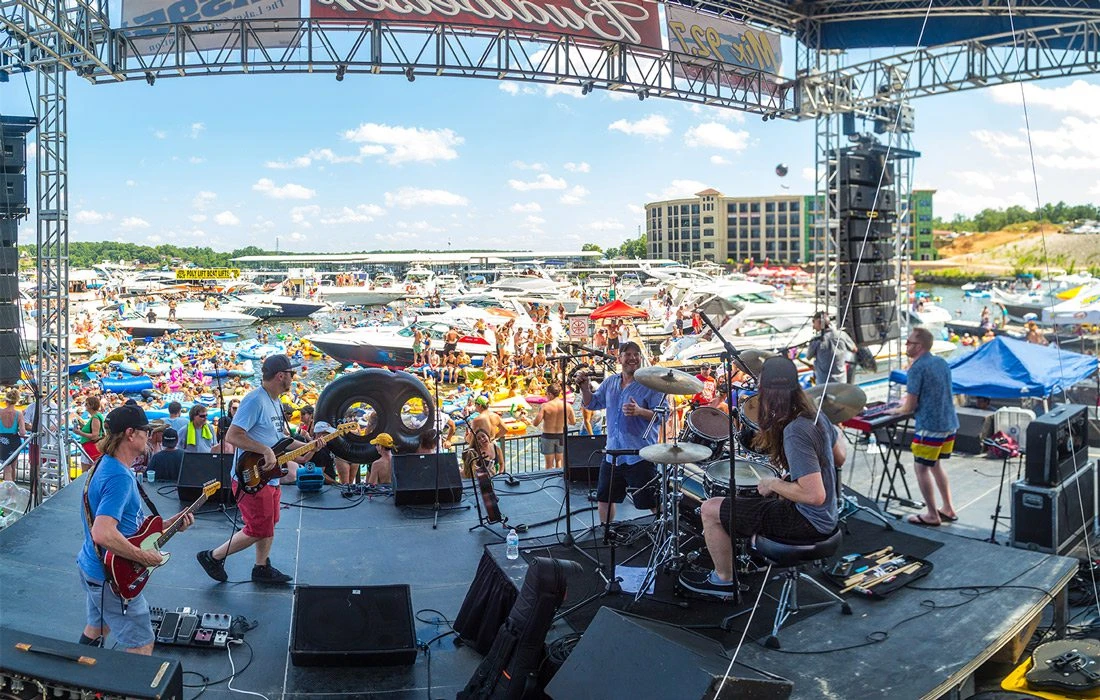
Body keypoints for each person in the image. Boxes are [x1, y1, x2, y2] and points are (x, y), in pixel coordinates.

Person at [678, 356, 844, 599]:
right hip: (828, 517)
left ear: (767, 392)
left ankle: (723, 581)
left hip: (806, 522)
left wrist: (773, 483)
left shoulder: (795, 431)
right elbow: (840, 458)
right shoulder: (816, 415)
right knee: (751, 503)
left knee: (710, 509)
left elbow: (814, 495)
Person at [77, 404, 195, 653]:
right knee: (142, 642)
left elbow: (131, 526)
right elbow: (103, 532)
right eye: (146, 431)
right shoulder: (119, 477)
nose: (151, 437)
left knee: (98, 627)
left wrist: (170, 525)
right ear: (130, 434)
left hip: (93, 567)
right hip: (111, 577)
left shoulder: (106, 464)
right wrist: (144, 557)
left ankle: (78, 674)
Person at [196, 355, 320, 585]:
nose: (293, 378)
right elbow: (233, 435)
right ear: (280, 376)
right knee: (257, 528)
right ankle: (213, 557)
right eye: (291, 374)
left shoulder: (275, 401)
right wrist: (265, 450)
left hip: (269, 476)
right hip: (251, 476)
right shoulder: (254, 401)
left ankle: (261, 567)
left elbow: (280, 440)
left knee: (268, 523)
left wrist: (309, 446)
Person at [577, 341, 665, 526]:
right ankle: (606, 531)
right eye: (628, 354)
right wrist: (585, 389)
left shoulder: (650, 385)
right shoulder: (610, 382)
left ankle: (664, 531)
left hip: (639, 455)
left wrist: (640, 411)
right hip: (612, 454)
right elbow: (592, 403)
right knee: (605, 498)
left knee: (652, 501)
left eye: (636, 354)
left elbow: (663, 416)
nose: (633, 358)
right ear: (619, 358)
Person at [895, 327, 959, 527]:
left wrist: (893, 411)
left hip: (930, 426)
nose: (906, 345)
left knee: (921, 468)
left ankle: (932, 515)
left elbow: (909, 407)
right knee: (935, 465)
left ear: (919, 346)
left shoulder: (917, 368)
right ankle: (948, 508)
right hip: (949, 423)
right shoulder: (941, 362)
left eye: (909, 342)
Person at [806, 311, 856, 386]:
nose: (813, 326)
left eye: (814, 322)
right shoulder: (842, 335)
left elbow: (808, 357)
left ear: (819, 322)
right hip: (841, 381)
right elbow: (854, 349)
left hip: (824, 383)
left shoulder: (815, 340)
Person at [532, 383, 574, 470]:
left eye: (546, 394)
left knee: (549, 464)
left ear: (550, 394)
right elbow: (573, 422)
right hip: (561, 436)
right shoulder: (567, 406)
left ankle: (550, 478)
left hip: (548, 436)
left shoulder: (545, 406)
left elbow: (536, 423)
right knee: (559, 462)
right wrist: (563, 420)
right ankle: (559, 477)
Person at [0, 388, 26, 482]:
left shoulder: (0, 412)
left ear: (6, 401)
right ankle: (12, 488)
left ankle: (7, 488)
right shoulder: (19, 414)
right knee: (13, 467)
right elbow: (23, 432)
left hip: (2, 440)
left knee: (6, 467)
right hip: (14, 441)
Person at [74, 396, 106, 469]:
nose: (85, 405)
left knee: (86, 470)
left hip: (89, 446)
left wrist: (79, 433)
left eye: (86, 404)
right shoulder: (97, 416)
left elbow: (95, 435)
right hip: (90, 446)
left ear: (91, 405)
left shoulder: (95, 417)